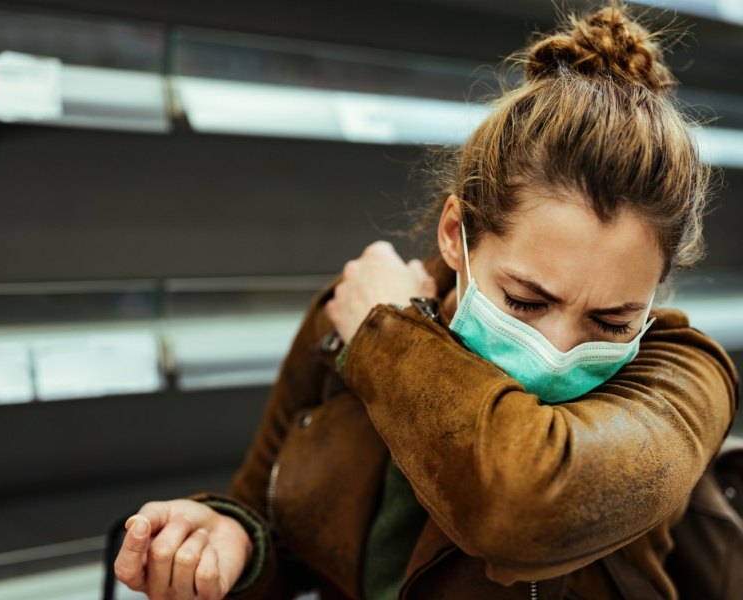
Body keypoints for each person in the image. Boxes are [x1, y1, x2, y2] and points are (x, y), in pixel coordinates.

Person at [114, 3, 740, 599]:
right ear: (454, 234)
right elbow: (271, 514)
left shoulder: (682, 378)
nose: (556, 351)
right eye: (524, 301)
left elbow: (521, 511)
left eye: (611, 319)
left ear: (654, 292)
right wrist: (234, 545)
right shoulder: (347, 319)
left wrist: (388, 338)